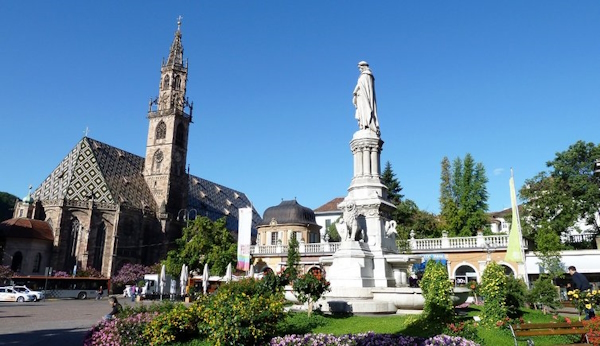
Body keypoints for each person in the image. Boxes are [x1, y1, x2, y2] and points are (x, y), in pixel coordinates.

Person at [352, 61, 379, 135]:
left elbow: (364, 86)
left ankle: (368, 124)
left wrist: (355, 90)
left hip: (365, 97)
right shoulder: (363, 76)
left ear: (364, 66)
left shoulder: (366, 75)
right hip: (360, 97)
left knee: (366, 109)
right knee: (362, 111)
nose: (360, 70)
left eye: (360, 68)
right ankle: (363, 124)